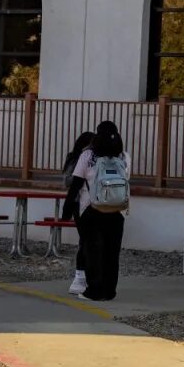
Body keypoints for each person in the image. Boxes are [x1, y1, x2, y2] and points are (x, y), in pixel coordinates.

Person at [71, 120, 130, 303]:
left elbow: (76, 183)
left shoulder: (88, 156)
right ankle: (109, 291)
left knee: (93, 251)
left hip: (92, 208)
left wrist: (68, 208)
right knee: (112, 253)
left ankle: (94, 291)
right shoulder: (124, 157)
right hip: (116, 209)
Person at [59, 129, 95, 296]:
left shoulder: (92, 158)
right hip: (76, 203)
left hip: (87, 201)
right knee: (85, 239)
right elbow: (67, 181)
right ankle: (80, 275)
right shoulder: (76, 157)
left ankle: (86, 275)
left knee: (88, 239)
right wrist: (81, 174)